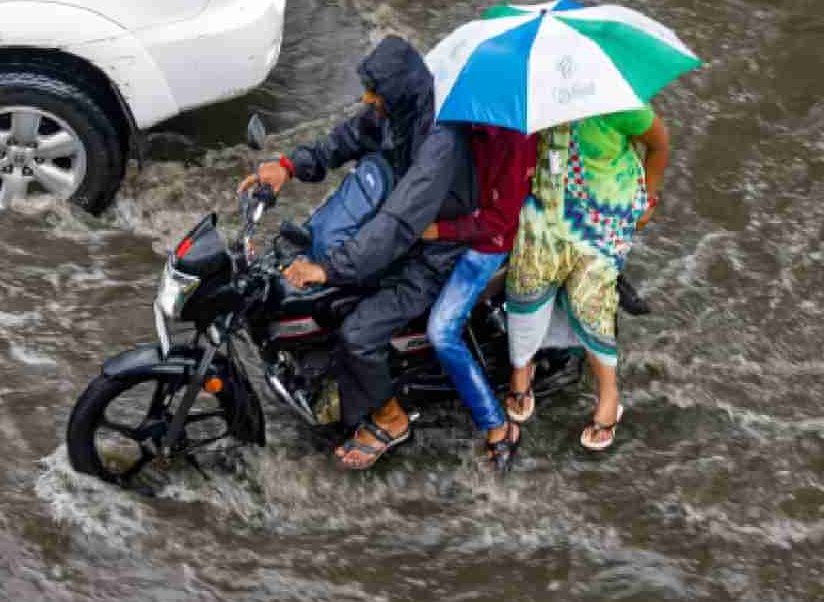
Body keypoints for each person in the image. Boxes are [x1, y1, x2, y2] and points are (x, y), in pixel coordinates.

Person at [238, 36, 475, 470]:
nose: (367, 99)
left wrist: (329, 270)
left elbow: (398, 225)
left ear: (399, 92)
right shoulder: (398, 112)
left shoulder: (437, 146)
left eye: (375, 93)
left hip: (431, 253)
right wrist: (288, 166)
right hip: (399, 226)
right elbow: (347, 137)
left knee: (358, 333)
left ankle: (390, 418)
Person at [503, 104, 670, 450]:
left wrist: (649, 200)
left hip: (603, 216)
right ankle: (522, 366)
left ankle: (609, 394)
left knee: (588, 300)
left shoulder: (620, 103)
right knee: (526, 277)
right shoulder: (537, 99)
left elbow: (659, 144)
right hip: (547, 204)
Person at [421, 125, 538, 471]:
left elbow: (499, 220)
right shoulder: (463, 123)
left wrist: (441, 230)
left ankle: (498, 428)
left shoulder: (517, 141)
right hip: (458, 223)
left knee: (441, 333)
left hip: (487, 243)